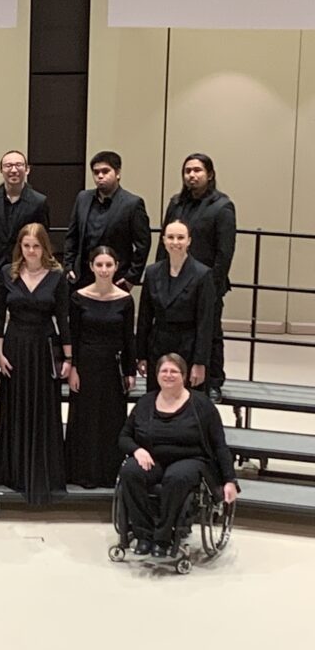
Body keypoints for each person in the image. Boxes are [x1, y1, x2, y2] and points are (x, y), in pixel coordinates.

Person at [117, 353, 239, 558]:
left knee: (176, 477)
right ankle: (144, 534)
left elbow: (219, 445)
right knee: (130, 472)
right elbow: (124, 437)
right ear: (157, 375)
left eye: (174, 371)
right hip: (152, 457)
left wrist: (229, 480)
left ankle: (163, 537)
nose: (168, 375)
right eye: (164, 371)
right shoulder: (146, 403)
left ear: (184, 376)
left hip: (191, 459)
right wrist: (137, 450)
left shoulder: (201, 405)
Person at [0, 222, 70, 504]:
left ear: (44, 248)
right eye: (26, 246)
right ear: (20, 247)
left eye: (36, 246)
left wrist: (69, 357)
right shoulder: (7, 273)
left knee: (42, 409)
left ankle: (41, 471)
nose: (31, 251)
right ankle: (13, 472)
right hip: (14, 346)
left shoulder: (57, 277)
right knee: (16, 407)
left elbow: (63, 319)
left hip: (44, 348)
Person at [157, 153, 236, 399]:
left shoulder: (222, 206)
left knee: (210, 331)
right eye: (187, 171)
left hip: (206, 283)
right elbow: (165, 239)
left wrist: (213, 287)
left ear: (209, 174)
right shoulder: (176, 203)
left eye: (197, 170)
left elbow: (225, 252)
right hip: (174, 279)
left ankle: (213, 381)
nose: (192, 175)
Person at [64, 246, 136, 488]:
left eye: (109, 265)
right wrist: (72, 367)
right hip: (85, 365)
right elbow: (72, 335)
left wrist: (129, 371)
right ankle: (82, 473)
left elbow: (129, 339)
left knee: (111, 419)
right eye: (99, 265)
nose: (104, 270)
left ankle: (108, 473)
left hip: (112, 367)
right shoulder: (78, 297)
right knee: (84, 419)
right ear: (91, 266)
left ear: (116, 267)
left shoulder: (125, 299)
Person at [137, 220, 216, 391]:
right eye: (171, 237)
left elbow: (206, 322)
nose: (175, 242)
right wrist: (141, 355)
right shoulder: (152, 272)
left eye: (180, 237)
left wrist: (200, 362)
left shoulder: (202, 274)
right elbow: (145, 316)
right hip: (158, 346)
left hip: (188, 346)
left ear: (189, 241)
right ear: (163, 240)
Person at [62, 151, 150, 290]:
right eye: (96, 172)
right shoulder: (83, 198)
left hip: (115, 279)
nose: (100, 176)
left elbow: (142, 245)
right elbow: (72, 236)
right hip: (81, 277)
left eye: (105, 171)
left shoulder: (132, 204)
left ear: (118, 173)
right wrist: (68, 266)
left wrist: (131, 277)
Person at [0, 150, 50, 300]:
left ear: (27, 169)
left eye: (18, 165)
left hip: (26, 269)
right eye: (8, 165)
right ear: (1, 170)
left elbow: (42, 241)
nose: (13, 170)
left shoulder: (39, 201)